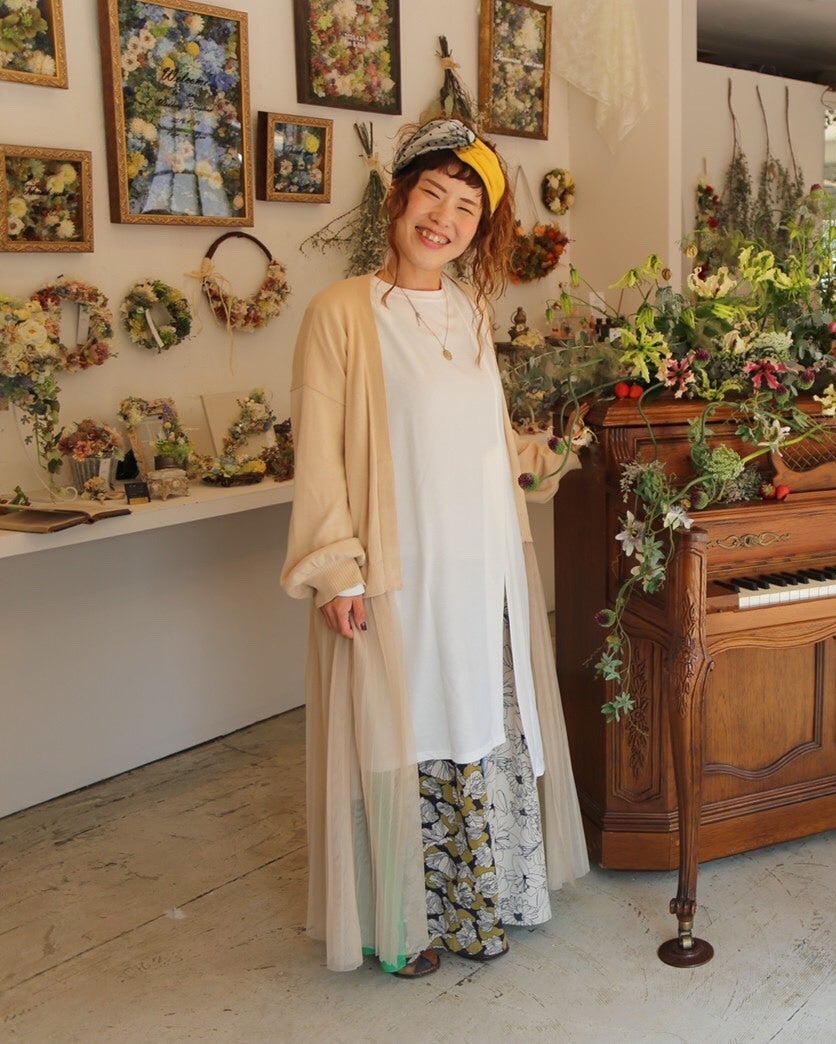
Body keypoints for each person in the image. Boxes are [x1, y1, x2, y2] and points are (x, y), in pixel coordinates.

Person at [281, 116, 589, 978]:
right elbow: (319, 453)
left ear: (479, 227)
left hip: (482, 569)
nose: (444, 219)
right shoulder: (341, 313)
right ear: (398, 199)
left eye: (466, 207)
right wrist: (337, 568)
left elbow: (483, 438)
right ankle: (401, 923)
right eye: (433, 196)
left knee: (480, 719)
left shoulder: (470, 308)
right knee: (403, 732)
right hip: (399, 571)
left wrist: (547, 453)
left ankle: (491, 898)